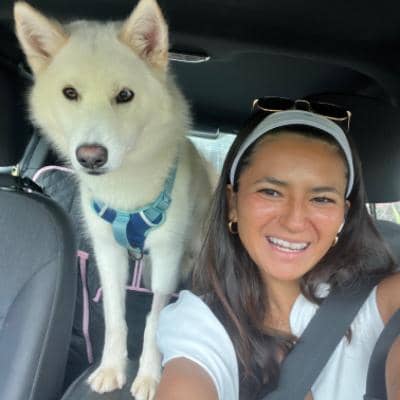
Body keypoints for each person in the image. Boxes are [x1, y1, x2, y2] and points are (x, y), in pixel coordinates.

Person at [154, 98, 400, 400]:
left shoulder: (381, 301)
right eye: (271, 192)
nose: (294, 221)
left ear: (343, 216)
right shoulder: (201, 325)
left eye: (321, 199)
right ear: (233, 203)